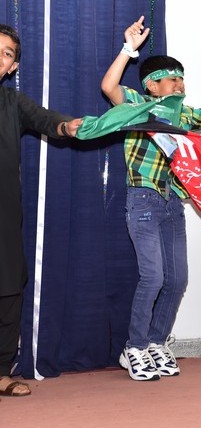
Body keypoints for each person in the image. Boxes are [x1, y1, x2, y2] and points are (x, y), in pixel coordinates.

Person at [100, 16, 201, 381]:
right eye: (172, 78)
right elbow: (109, 87)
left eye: (182, 78)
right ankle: (134, 347)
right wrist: (128, 49)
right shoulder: (137, 104)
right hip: (143, 200)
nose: (180, 83)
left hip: (172, 205)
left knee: (177, 279)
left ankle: (156, 342)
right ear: (152, 85)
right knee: (152, 277)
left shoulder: (184, 115)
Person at [0, 24, 83, 398]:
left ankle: (1, 372)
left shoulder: (13, 103)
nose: (0, 57)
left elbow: (47, 119)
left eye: (7, 53)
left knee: (8, 291)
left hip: (4, 216)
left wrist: (67, 126)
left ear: (13, 67)